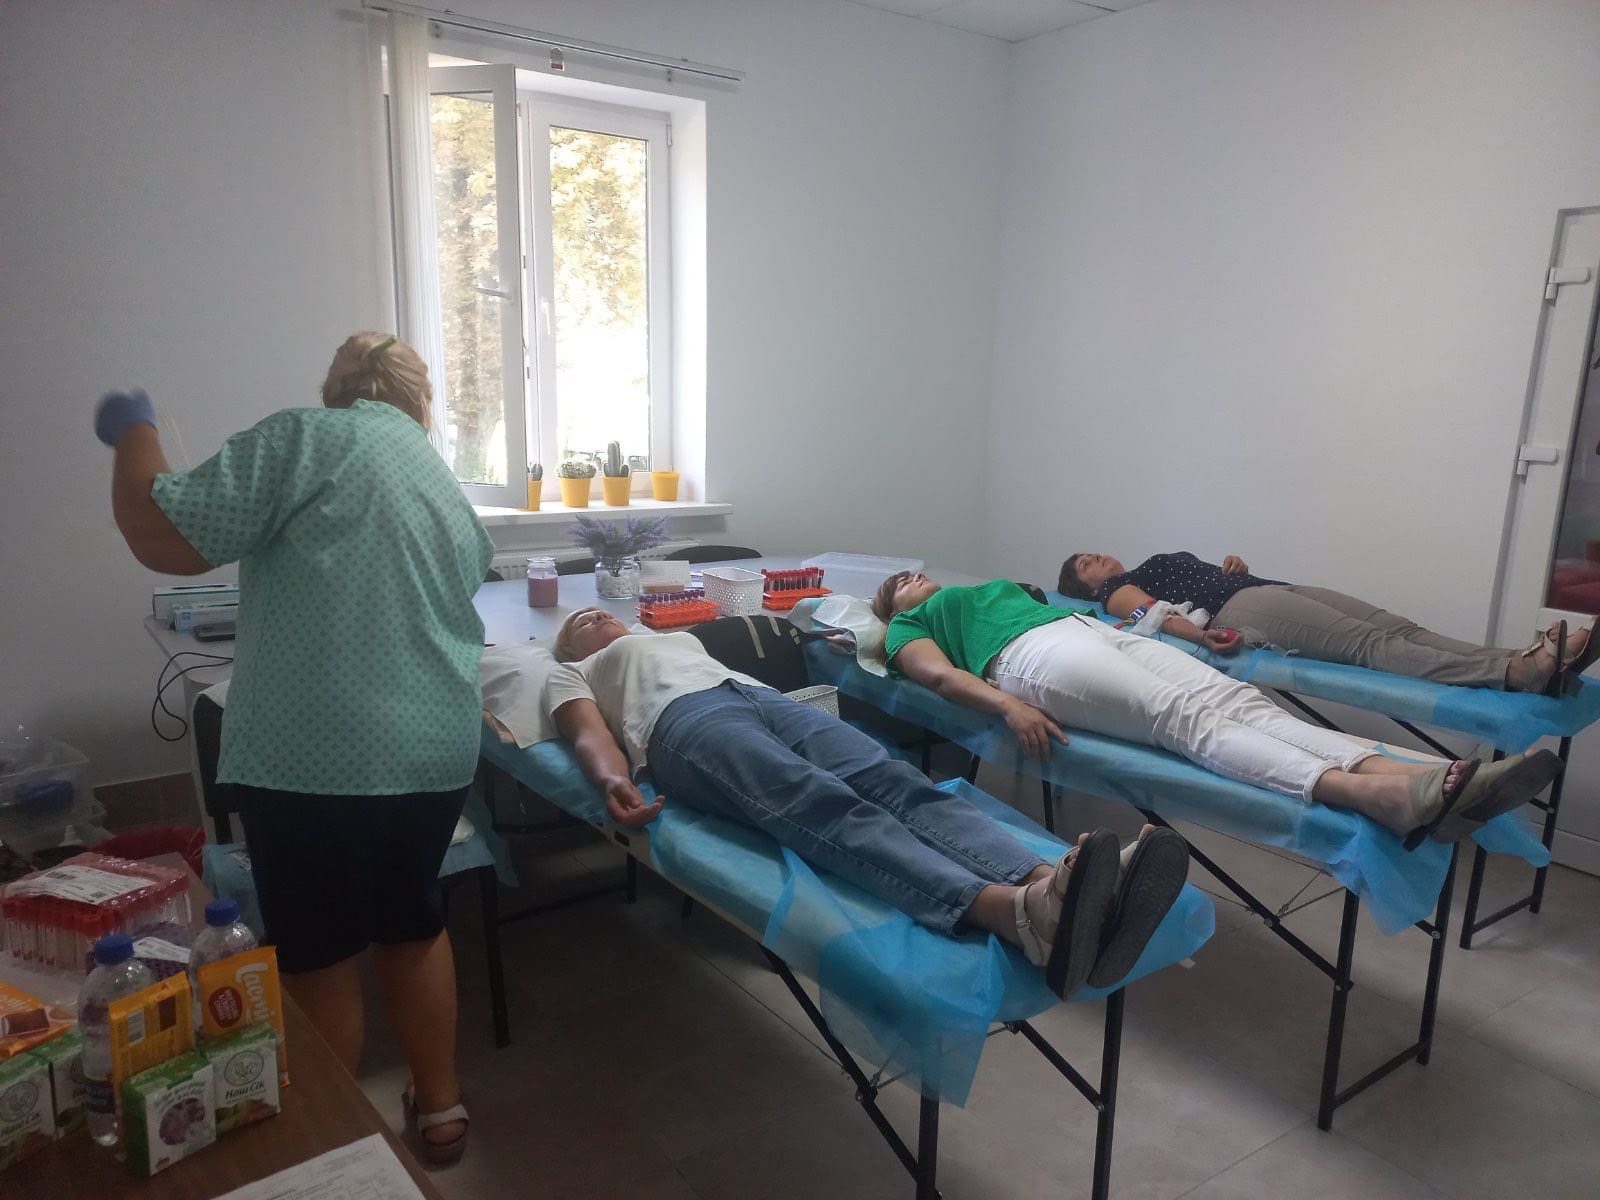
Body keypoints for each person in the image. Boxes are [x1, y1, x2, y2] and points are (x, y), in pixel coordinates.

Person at [96, 332, 490, 1165]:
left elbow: (162, 533)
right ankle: (442, 1107)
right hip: (434, 749)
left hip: (318, 757)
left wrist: (135, 430)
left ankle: (330, 1150)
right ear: (417, 401)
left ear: (337, 390)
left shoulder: (306, 437)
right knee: (413, 921)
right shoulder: (440, 480)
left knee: (318, 951)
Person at [544, 608, 1192, 999]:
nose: (591, 619)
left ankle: (1055, 885)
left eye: (597, 613)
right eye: (578, 625)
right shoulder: (572, 672)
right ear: (570, 651)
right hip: (680, 725)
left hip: (760, 699)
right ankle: (1013, 915)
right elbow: (588, 732)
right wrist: (611, 780)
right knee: (818, 801)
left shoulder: (673, 639)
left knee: (892, 778)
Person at [871, 573, 1562, 848]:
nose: (914, 578)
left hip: (1085, 632)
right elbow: (940, 678)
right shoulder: (910, 627)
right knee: (1185, 720)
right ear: (892, 608)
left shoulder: (989, 587)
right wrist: (1006, 707)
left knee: (1237, 700)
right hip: (1029, 660)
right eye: (899, 583)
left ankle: (1417, 775)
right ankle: (1372, 797)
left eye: (913, 572)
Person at [1058, 551, 1598, 693]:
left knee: (1398, 627)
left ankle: (1530, 660)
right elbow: (1152, 615)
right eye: (1084, 565)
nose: (1094, 559)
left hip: (1261, 588)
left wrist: (1231, 567)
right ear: (1085, 587)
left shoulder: (1147, 562)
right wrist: (1201, 635)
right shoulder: (1112, 592)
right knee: (1370, 644)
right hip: (1239, 612)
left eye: (1090, 554)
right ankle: (1515, 674)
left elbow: (1177, 587)